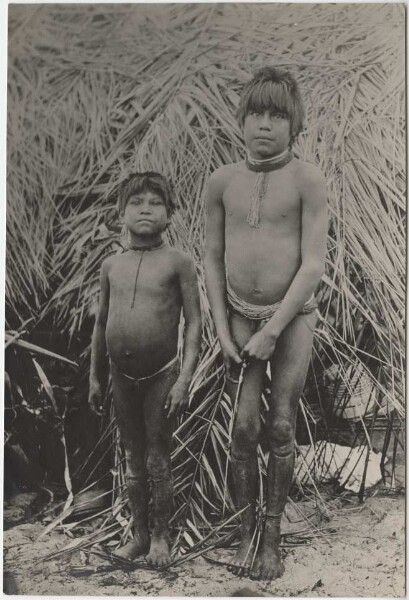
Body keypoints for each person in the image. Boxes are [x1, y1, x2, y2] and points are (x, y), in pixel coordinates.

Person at [204, 66, 327, 580]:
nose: (264, 125)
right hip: (237, 317)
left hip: (292, 319)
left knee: (279, 425)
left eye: (277, 115)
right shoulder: (222, 181)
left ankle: (272, 535)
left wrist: (273, 328)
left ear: (295, 123)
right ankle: (246, 529)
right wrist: (220, 325)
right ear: (242, 119)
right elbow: (210, 257)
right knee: (242, 428)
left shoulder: (308, 179)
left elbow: (314, 265)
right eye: (256, 113)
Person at [89, 172, 202, 568]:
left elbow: (195, 324)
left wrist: (184, 379)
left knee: (157, 458)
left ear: (170, 215)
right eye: (136, 203)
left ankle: (160, 538)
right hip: (121, 377)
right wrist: (95, 377)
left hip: (161, 376)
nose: (144, 210)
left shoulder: (178, 263)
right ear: (121, 212)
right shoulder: (110, 265)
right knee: (132, 458)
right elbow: (101, 325)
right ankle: (137, 535)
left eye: (155, 203)